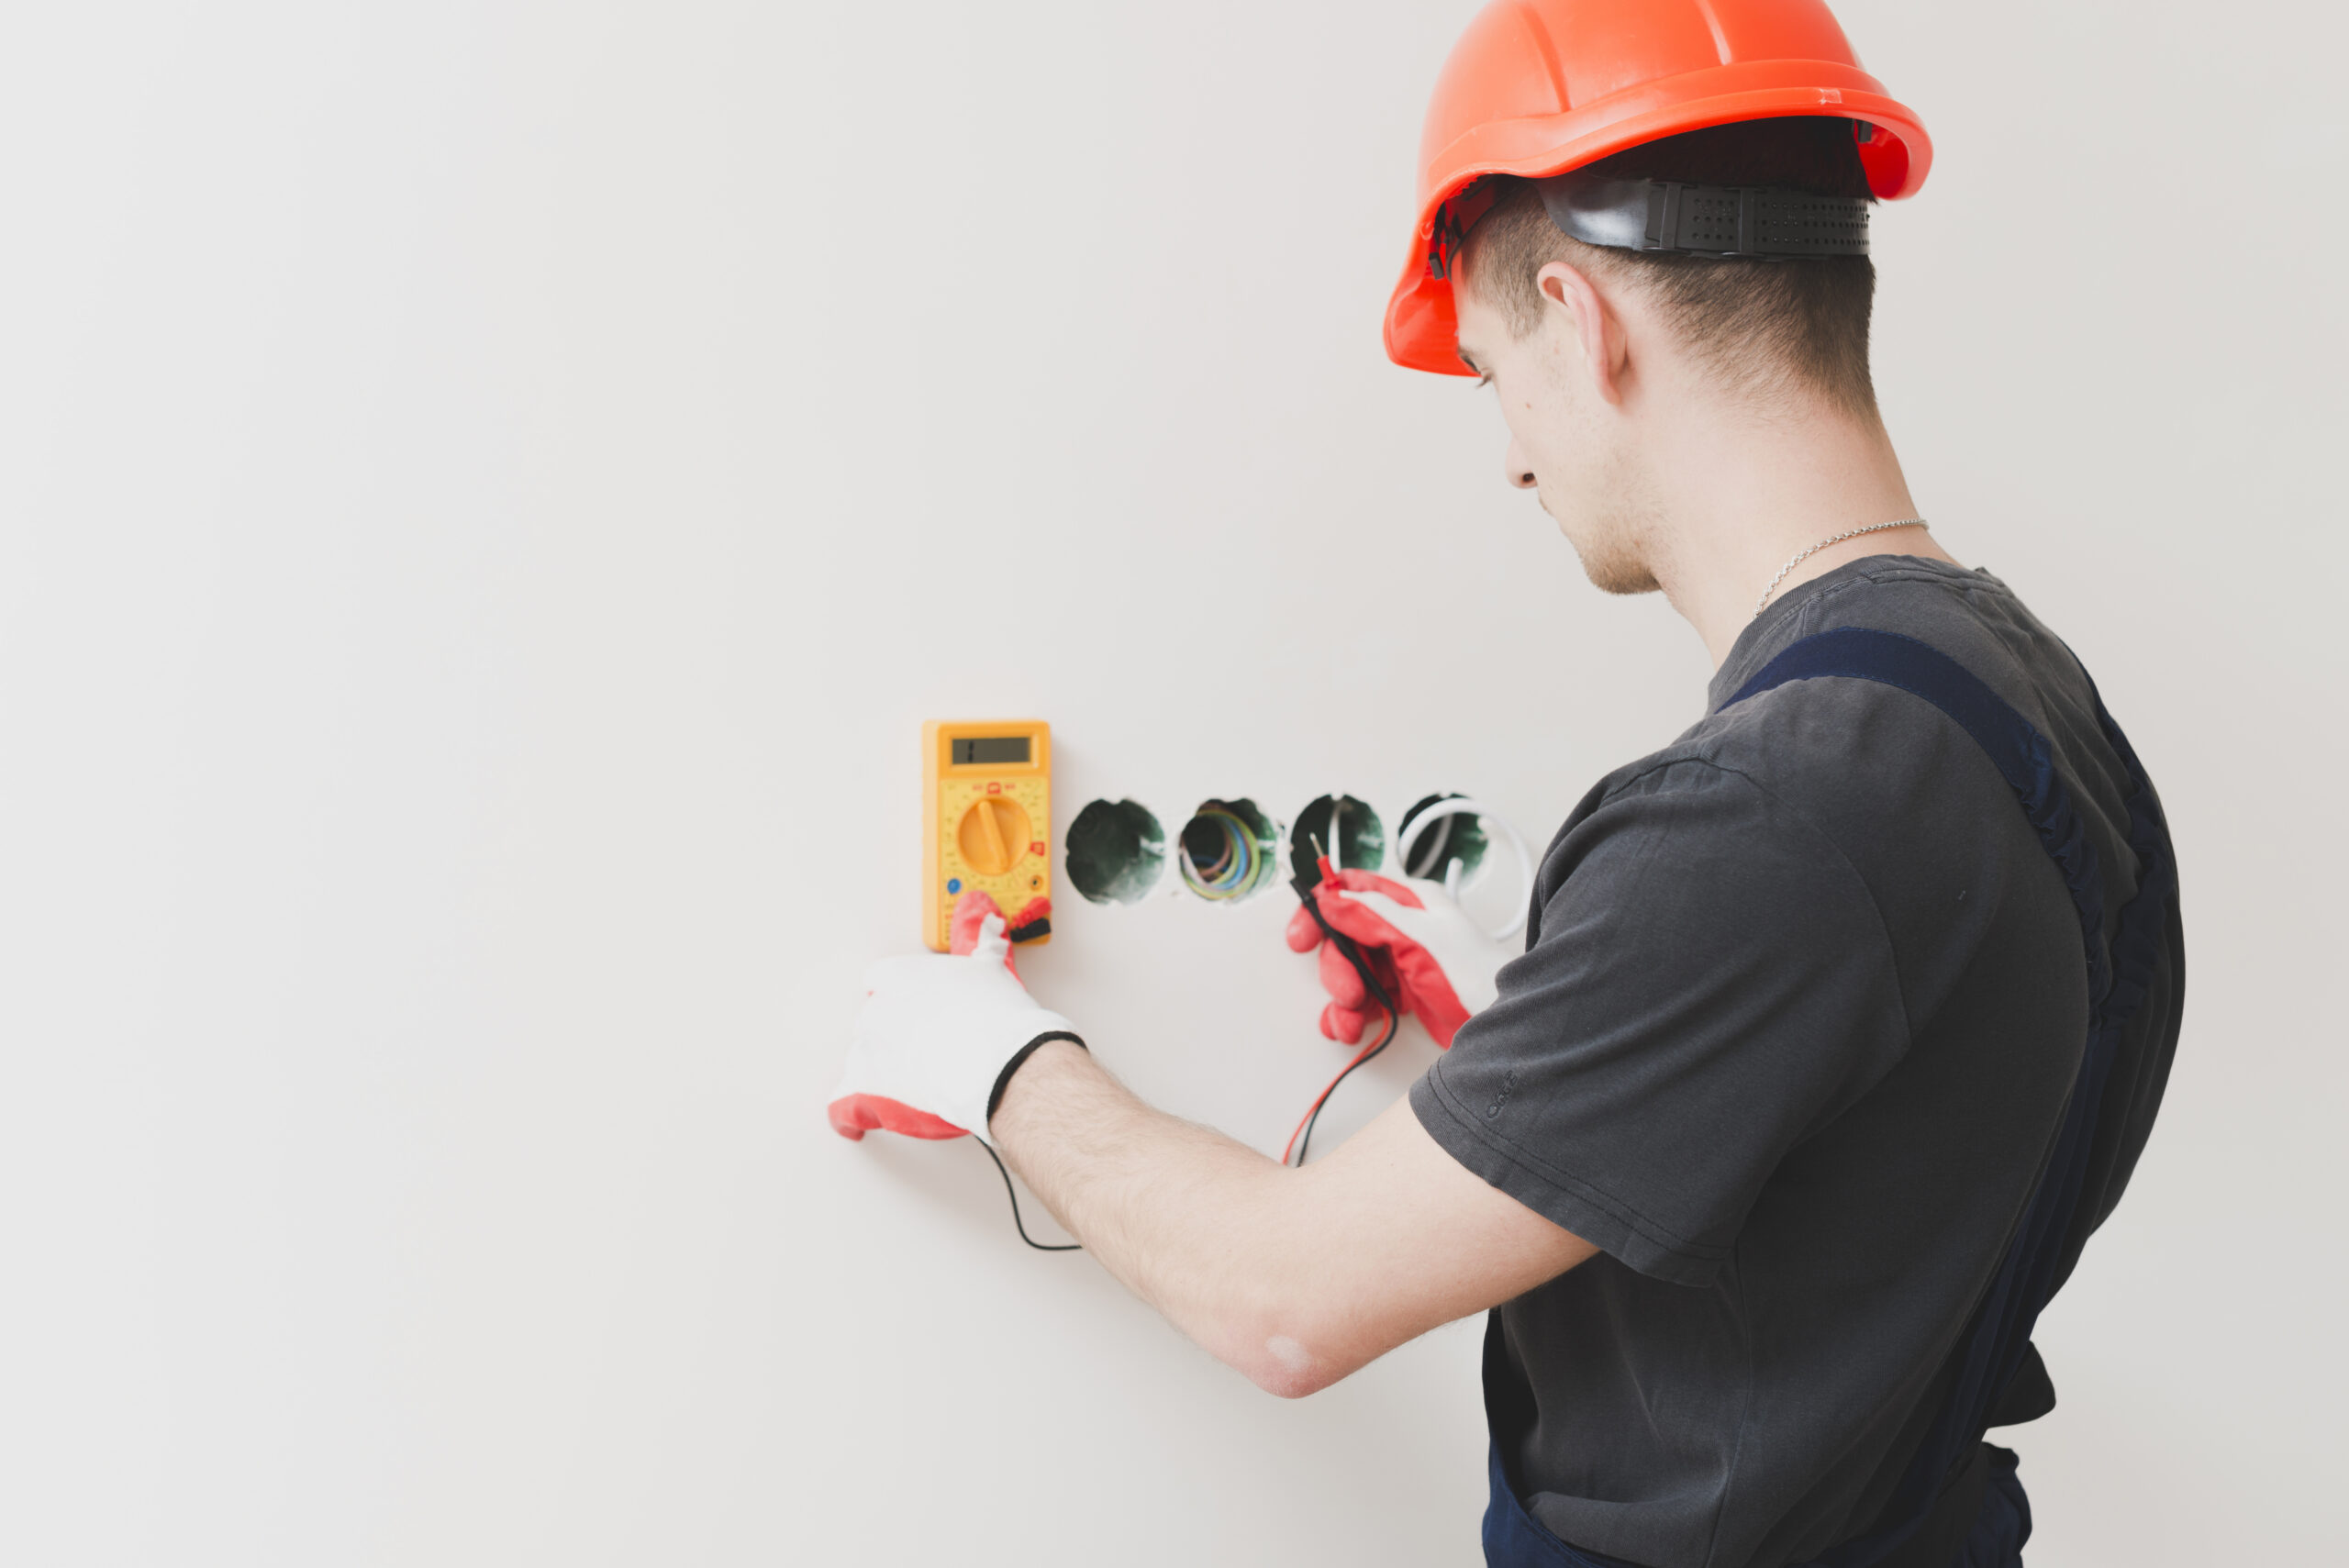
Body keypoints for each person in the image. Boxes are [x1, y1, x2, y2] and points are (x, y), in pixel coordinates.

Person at [828, 3, 2184, 1564]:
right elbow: (1874, 1152)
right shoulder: (2020, 696)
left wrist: (995, 1056)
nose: (1517, 462)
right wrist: (1521, 1029)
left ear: (1580, 316)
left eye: (1489, 376)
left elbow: (1285, 1301)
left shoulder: (1773, 817)